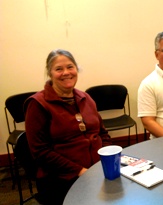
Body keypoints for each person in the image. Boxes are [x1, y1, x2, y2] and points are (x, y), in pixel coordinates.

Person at [24, 49, 112, 205]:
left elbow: (102, 134)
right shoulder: (37, 104)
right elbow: (40, 151)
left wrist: (107, 160)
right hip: (60, 179)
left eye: (70, 67)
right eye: (59, 69)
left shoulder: (86, 98)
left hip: (96, 171)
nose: (66, 73)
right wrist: (81, 171)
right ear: (50, 73)